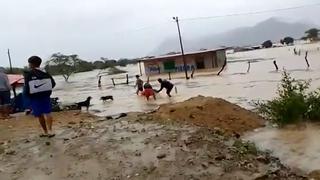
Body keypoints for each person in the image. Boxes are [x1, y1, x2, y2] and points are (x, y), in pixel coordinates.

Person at [24, 56, 56, 137]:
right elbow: (53, 84)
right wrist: (45, 89)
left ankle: (45, 131)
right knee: (48, 112)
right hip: (45, 96)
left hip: (35, 98)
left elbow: (27, 87)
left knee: (39, 114)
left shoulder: (29, 74)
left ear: (32, 64)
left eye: (29, 63)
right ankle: (50, 130)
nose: (29, 65)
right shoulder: (46, 73)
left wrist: (28, 96)